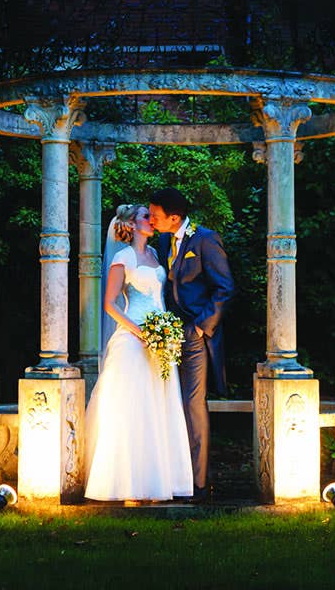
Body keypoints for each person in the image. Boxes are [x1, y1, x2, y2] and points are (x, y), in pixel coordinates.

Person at [83, 204, 194, 501]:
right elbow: (110, 304)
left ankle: (158, 484)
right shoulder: (123, 257)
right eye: (146, 216)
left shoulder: (156, 255)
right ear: (131, 225)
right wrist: (140, 332)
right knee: (134, 409)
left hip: (162, 339)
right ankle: (129, 486)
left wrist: (164, 332)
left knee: (159, 408)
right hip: (135, 339)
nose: (152, 220)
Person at [149, 187, 235, 502]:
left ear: (175, 217)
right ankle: (174, 476)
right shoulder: (160, 241)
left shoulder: (205, 240)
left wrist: (201, 326)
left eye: (156, 215)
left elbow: (225, 287)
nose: (152, 220)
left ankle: (199, 484)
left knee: (192, 404)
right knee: (168, 404)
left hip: (195, 336)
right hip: (166, 335)